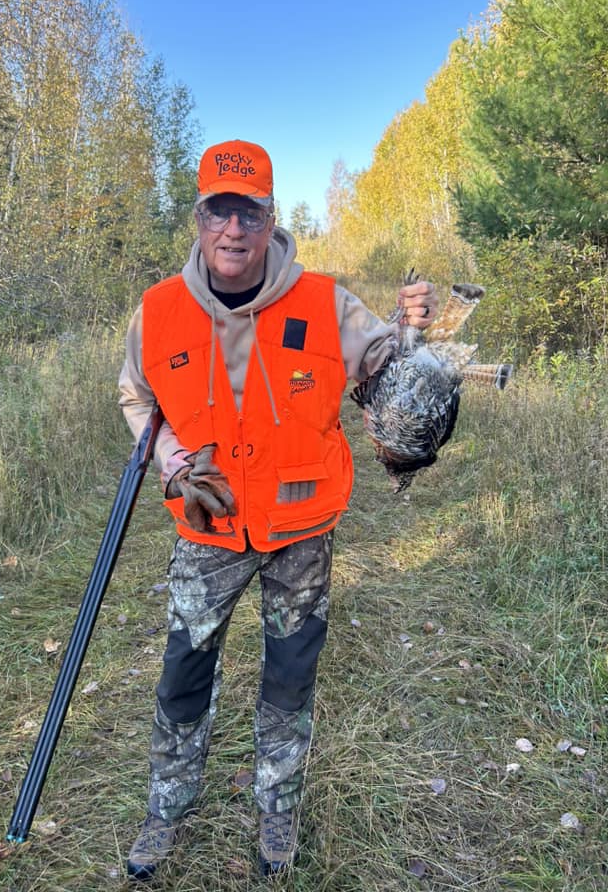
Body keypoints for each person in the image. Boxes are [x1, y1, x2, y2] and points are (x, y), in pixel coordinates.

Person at [118, 139, 438, 881]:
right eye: (219, 211)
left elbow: (391, 370)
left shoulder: (326, 301)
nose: (234, 230)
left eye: (250, 213)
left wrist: (414, 324)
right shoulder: (158, 310)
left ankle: (278, 808)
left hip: (299, 531)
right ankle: (166, 812)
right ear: (199, 218)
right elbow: (136, 394)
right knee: (182, 678)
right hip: (208, 527)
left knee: (289, 681)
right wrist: (167, 461)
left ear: (271, 220)